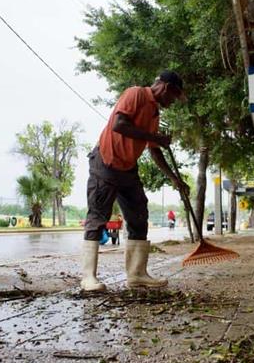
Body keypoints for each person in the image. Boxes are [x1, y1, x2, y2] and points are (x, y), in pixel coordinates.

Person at [80, 71, 189, 291]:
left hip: (128, 169)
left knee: (139, 214)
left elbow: (155, 151)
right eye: (174, 97)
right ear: (166, 88)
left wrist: (174, 179)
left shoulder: (154, 114)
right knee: (98, 216)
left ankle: (137, 274)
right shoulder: (136, 94)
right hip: (106, 162)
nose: (173, 103)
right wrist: (154, 137)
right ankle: (88, 277)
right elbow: (119, 125)